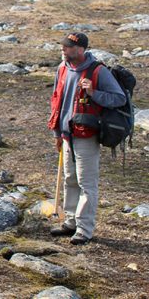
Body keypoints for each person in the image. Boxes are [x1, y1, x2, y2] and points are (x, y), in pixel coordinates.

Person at [47, 32, 125, 245]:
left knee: (86, 183)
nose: (63, 50)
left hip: (86, 136)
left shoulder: (98, 71)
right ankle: (71, 221)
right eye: (63, 46)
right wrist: (57, 133)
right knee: (70, 179)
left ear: (81, 49)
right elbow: (57, 100)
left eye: (68, 47)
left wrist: (94, 93)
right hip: (66, 135)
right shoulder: (62, 68)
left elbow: (119, 98)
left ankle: (84, 229)